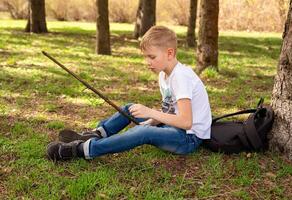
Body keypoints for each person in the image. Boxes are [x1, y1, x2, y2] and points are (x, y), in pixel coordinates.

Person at [46, 26, 212, 161]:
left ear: (170, 53)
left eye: (152, 57)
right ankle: (97, 134)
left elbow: (186, 122)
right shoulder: (164, 74)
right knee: (130, 109)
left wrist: (150, 114)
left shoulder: (181, 77)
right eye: (145, 57)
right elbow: (170, 111)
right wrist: (152, 120)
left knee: (143, 132)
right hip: (173, 127)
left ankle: (82, 149)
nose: (147, 62)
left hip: (188, 139)